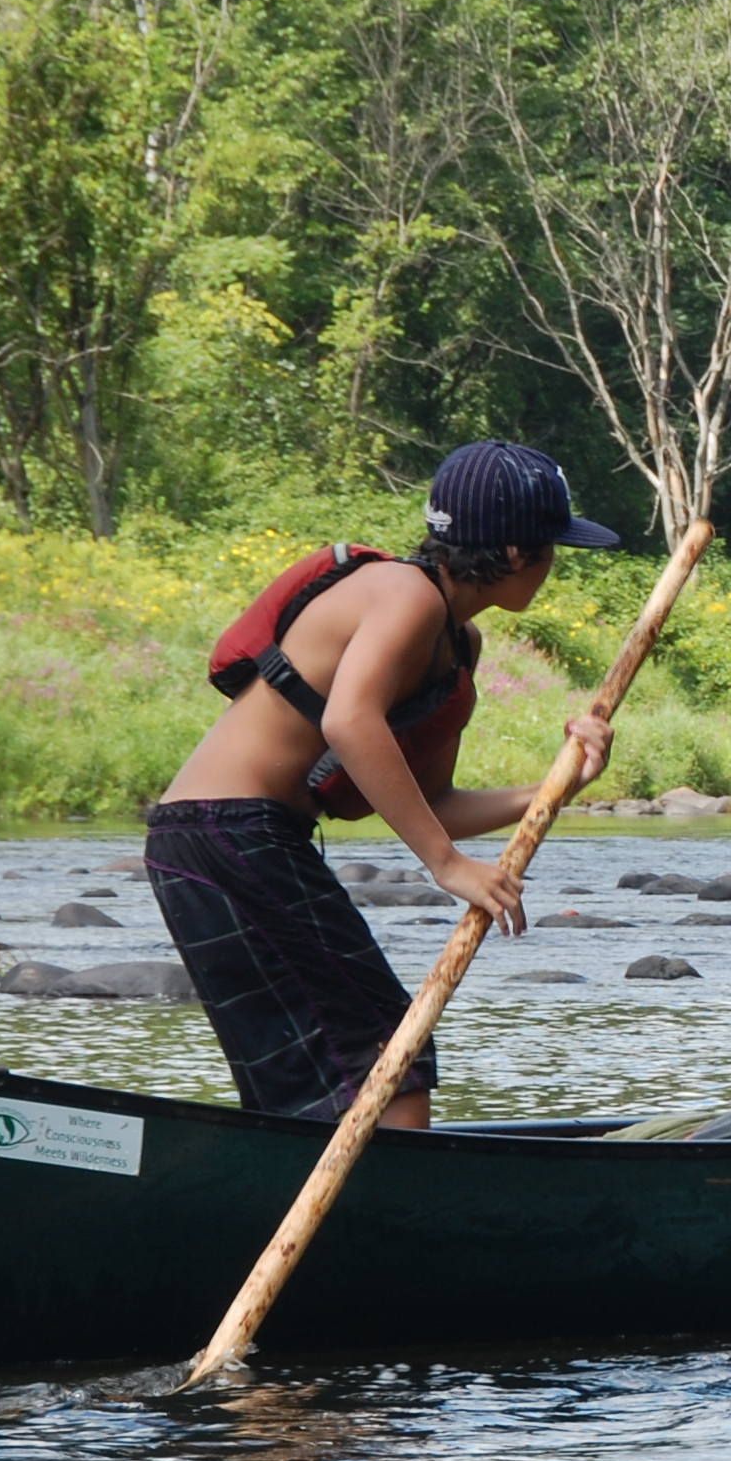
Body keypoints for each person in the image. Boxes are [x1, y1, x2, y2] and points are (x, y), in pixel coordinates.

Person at [145, 441, 622, 1127]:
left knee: (310, 1075)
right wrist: (446, 865)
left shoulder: (459, 644)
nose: (553, 567)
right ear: (517, 554)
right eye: (552, 549)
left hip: (230, 841)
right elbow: (349, 720)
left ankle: (301, 1211)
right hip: (228, 833)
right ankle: (392, 1218)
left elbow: (435, 805)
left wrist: (558, 784)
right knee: (386, 1056)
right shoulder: (407, 595)